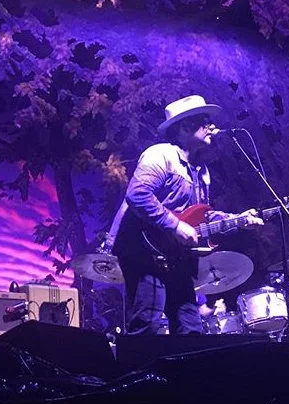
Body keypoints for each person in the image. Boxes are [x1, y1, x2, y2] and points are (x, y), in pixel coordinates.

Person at [110, 95, 263, 335]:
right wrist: (175, 226)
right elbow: (138, 194)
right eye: (204, 121)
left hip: (174, 255)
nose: (212, 126)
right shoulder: (161, 155)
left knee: (190, 325)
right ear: (184, 127)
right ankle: (136, 360)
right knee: (147, 321)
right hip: (142, 250)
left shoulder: (201, 172)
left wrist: (238, 220)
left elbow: (201, 216)